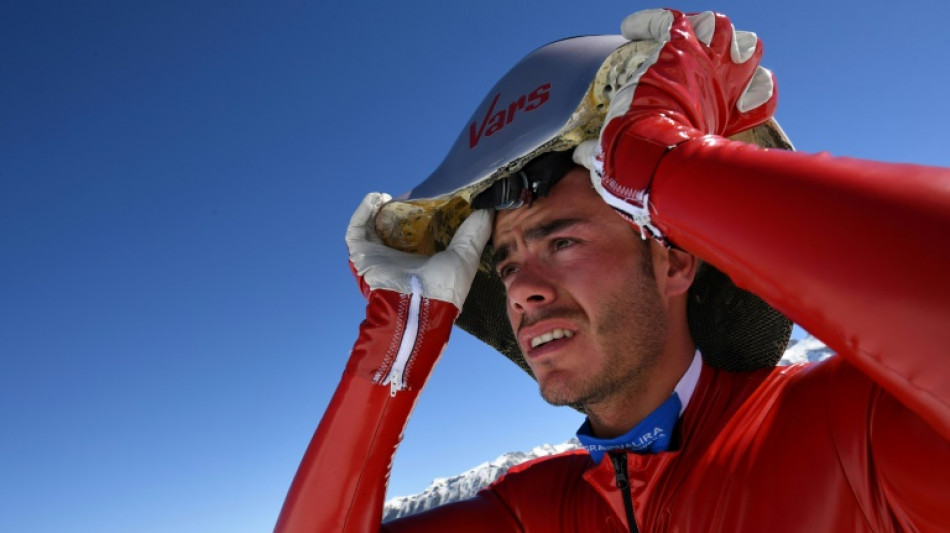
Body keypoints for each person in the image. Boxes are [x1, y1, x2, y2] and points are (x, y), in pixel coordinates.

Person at [276, 8, 950, 532]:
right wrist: (397, 340)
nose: (520, 288)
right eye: (504, 263)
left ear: (676, 258)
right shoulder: (538, 508)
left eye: (561, 239)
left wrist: (666, 168)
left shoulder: (844, 430)